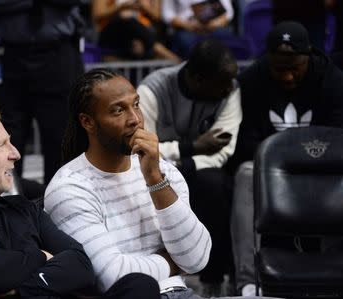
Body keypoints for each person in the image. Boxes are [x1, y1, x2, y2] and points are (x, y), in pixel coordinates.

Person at [45, 69, 276, 299]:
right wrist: (172, 262)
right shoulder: (70, 188)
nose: (135, 119)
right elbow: (112, 277)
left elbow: (197, 258)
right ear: (88, 122)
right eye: (118, 110)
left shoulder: (161, 169)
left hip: (181, 293)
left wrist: (154, 180)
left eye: (136, 104)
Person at [0, 104, 160, 299]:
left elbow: (80, 264)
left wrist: (21, 292)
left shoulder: (21, 208)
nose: (16, 154)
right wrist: (41, 257)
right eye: (3, 145)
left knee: (139, 285)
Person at [230, 21, 343, 296]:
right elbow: (244, 142)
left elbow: (339, 138)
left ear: (308, 58)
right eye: (280, 69)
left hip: (324, 168)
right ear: (268, 60)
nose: (288, 76)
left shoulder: (332, 78)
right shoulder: (252, 80)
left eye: (295, 68)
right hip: (270, 170)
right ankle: (247, 281)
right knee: (245, 172)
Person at [137, 39, 241, 296]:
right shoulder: (153, 89)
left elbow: (224, 149)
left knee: (215, 185)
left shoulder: (232, 89)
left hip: (199, 169)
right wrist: (190, 147)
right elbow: (141, 147)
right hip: (152, 171)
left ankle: (213, 279)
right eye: (222, 83)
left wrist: (183, 161)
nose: (229, 88)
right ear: (197, 79)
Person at [0, 0, 85, 184]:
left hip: (57, 54)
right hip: (12, 55)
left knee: (61, 138)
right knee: (7, 138)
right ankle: (7, 205)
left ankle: (57, 204)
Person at [92, 0, 180, 61]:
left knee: (139, 40)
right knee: (128, 20)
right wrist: (120, 7)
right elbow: (97, 14)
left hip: (141, 33)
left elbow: (157, 16)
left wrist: (142, 5)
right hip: (111, 33)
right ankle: (162, 51)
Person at [162, 0, 235, 59]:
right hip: (186, 28)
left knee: (227, 39)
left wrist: (214, 24)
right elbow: (167, 15)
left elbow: (229, 12)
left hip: (214, 26)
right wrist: (188, 25)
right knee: (187, 42)